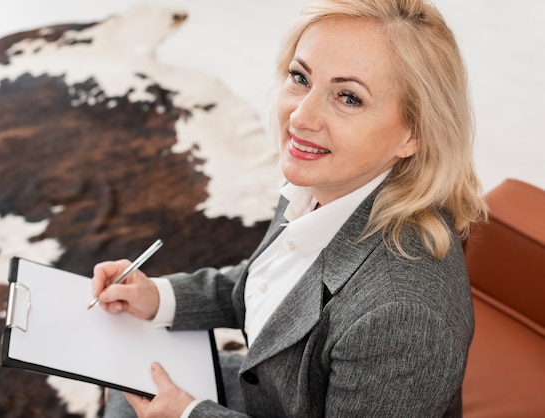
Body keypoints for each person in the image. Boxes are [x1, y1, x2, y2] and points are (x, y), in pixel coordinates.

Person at [91, 0, 487, 416]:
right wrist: (159, 297)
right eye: (300, 77)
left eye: (349, 98)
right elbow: (268, 285)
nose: (301, 117)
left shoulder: (403, 320)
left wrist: (190, 414)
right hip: (275, 387)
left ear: (414, 133)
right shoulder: (324, 182)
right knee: (125, 386)